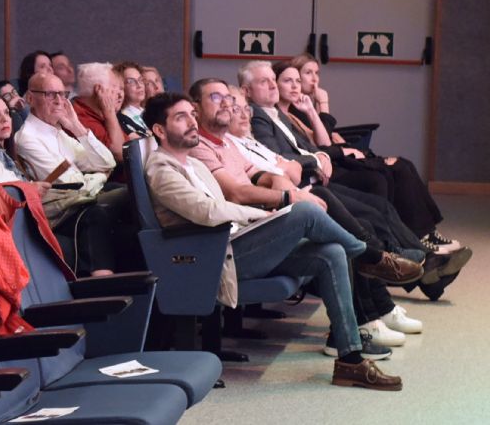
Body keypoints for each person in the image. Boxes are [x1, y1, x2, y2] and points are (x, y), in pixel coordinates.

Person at [142, 92, 403, 390]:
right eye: (180, 117)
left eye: (191, 114)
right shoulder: (161, 169)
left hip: (235, 244)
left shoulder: (193, 164)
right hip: (212, 259)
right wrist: (261, 215)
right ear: (159, 130)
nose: (192, 122)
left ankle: (350, 360)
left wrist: (261, 216)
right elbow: (207, 211)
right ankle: (370, 256)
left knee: (330, 252)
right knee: (303, 210)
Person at [290, 53, 465, 252]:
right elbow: (322, 142)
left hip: (336, 156)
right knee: (393, 170)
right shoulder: (297, 108)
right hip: (330, 163)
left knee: (402, 164)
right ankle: (416, 238)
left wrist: (332, 132)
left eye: (317, 73)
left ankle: (426, 233)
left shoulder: (306, 104)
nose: (314, 79)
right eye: (307, 73)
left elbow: (324, 136)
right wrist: (324, 105)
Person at [14, 73, 137, 275]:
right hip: (62, 206)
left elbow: (106, 162)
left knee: (129, 203)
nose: (59, 101)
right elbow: (71, 183)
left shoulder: (59, 131)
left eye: (62, 95)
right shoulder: (27, 138)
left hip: (82, 196)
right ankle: (101, 284)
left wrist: (75, 125)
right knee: (118, 200)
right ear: (30, 99)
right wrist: (100, 176)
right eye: (50, 94)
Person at [71, 62, 132, 162]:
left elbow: (130, 148)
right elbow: (120, 153)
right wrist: (110, 113)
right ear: (99, 90)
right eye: (114, 87)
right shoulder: (79, 118)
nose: (120, 95)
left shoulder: (100, 115)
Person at [113, 61, 152, 137]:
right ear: (120, 86)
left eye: (140, 80)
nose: (139, 85)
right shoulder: (121, 119)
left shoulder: (148, 112)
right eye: (131, 82)